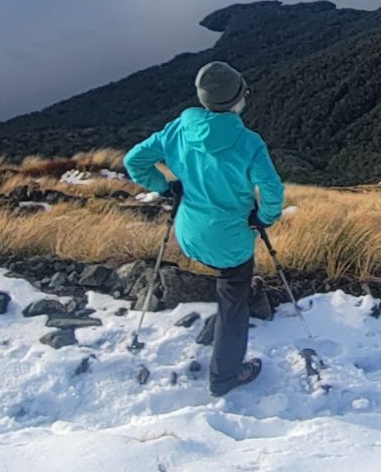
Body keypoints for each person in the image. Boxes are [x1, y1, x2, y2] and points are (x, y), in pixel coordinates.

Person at [122, 60, 286, 395]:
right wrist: (265, 218)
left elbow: (133, 161)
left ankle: (244, 289)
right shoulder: (249, 143)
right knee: (232, 297)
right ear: (238, 98)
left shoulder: (178, 129)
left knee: (229, 272)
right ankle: (225, 377)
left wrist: (165, 187)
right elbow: (272, 190)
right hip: (230, 242)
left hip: (189, 235)